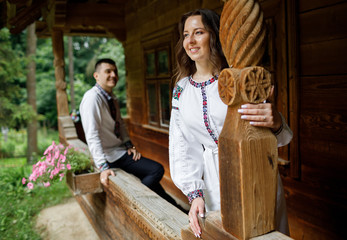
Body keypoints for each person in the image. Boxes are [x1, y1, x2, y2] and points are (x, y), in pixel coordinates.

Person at [169, 9, 293, 238]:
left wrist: (275, 121)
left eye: (199, 32)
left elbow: (282, 137)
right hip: (215, 182)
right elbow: (182, 144)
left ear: (214, 36)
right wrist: (195, 194)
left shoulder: (240, 79)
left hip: (256, 173)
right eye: (186, 35)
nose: (190, 41)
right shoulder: (181, 89)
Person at [80, 58, 179, 208]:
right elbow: (91, 134)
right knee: (156, 170)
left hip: (120, 151)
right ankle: (137, 199)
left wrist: (129, 145)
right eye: (108, 71)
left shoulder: (110, 97)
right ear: (96, 76)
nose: (113, 75)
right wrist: (103, 167)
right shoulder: (92, 98)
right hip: (110, 156)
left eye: (115, 71)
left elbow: (121, 124)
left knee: (152, 181)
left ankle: (174, 207)